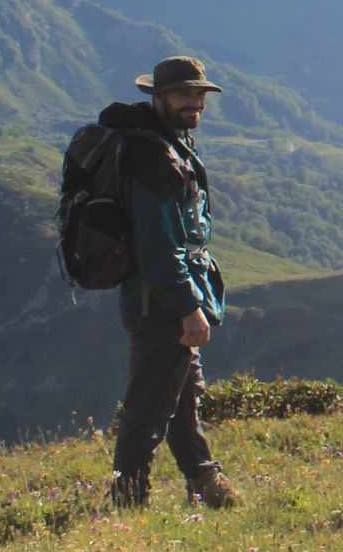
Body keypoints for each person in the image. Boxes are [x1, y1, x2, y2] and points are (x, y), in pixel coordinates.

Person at [99, 55, 241, 510]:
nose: (194, 101)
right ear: (158, 98)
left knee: (182, 397)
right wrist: (187, 306)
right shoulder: (153, 158)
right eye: (183, 93)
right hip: (159, 302)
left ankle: (207, 482)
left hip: (163, 296)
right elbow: (159, 246)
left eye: (199, 93)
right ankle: (127, 499)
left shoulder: (169, 143)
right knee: (149, 405)